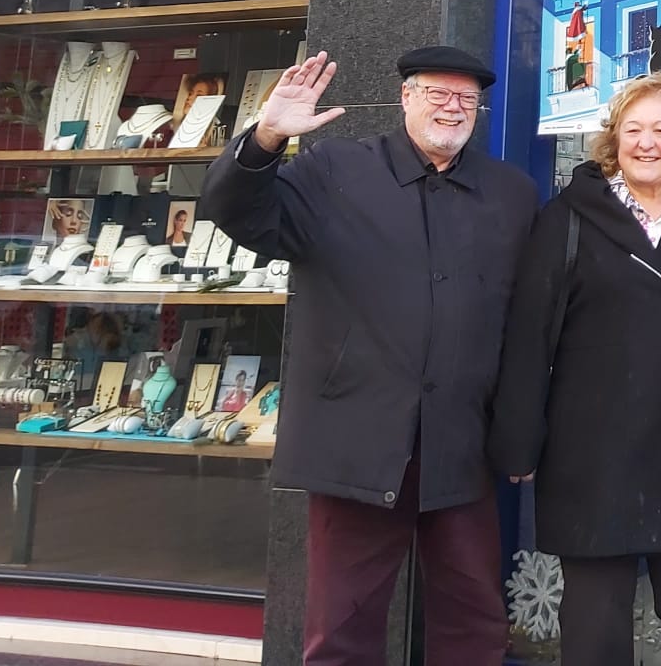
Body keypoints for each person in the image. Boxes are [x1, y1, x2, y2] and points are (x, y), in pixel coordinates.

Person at [200, 46, 537, 666]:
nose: (453, 108)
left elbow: (526, 325)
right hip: (355, 443)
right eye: (438, 93)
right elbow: (235, 213)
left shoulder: (511, 195)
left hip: (461, 445)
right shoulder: (334, 171)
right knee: (342, 628)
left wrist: (519, 430)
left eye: (467, 99)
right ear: (405, 97)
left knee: (474, 622)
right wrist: (267, 137)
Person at [492, 74, 661, 666]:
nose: (647, 143)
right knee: (595, 633)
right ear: (614, 139)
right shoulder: (567, 219)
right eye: (634, 130)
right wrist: (518, 442)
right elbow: (528, 338)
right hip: (592, 460)